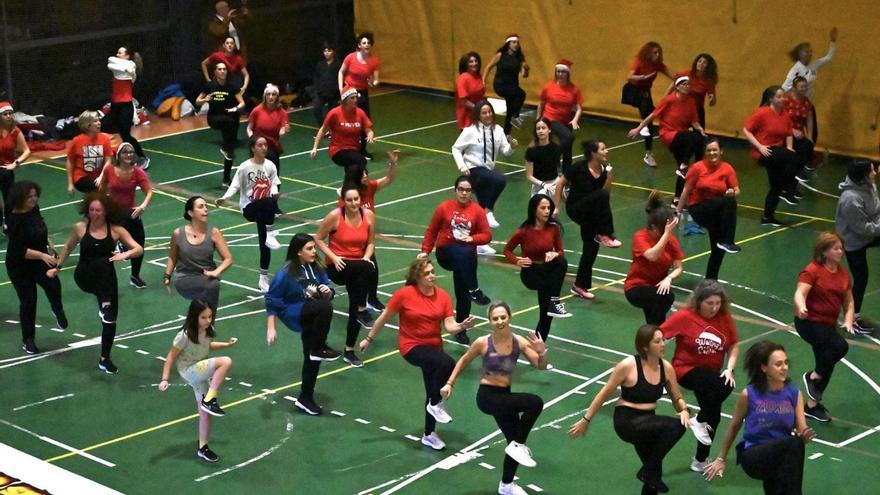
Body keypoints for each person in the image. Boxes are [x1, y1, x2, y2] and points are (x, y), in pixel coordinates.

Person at [359, 258, 476, 450]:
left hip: (434, 347)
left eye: (432, 271)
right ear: (417, 277)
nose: (432, 275)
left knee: (432, 390)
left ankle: (429, 434)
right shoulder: (404, 295)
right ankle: (436, 404)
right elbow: (384, 317)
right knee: (447, 364)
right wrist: (369, 338)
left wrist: (462, 326)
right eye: (427, 273)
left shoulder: (443, 296)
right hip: (411, 346)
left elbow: (449, 326)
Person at [440, 301, 547, 495]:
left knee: (514, 442)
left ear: (509, 318)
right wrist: (449, 383)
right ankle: (517, 446)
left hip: (504, 397)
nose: (499, 321)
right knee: (535, 402)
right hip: (488, 397)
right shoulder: (482, 342)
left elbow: (540, 365)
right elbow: (463, 360)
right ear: (490, 321)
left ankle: (506, 485)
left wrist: (542, 352)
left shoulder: (519, 341)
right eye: (495, 318)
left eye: (503, 317)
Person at [569, 324, 690, 494]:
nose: (663, 344)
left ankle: (648, 472)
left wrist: (684, 409)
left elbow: (677, 397)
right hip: (627, 422)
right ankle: (647, 471)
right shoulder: (628, 365)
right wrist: (586, 419)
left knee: (654, 474)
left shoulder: (666, 368)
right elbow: (604, 393)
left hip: (649, 421)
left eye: (663, 340)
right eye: (657, 341)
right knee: (676, 426)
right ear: (645, 347)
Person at [703, 341, 815, 495]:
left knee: (781, 480)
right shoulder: (749, 394)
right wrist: (721, 459)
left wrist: (805, 436)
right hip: (753, 455)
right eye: (778, 364)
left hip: (779, 456)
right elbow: (734, 426)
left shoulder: (794, 394)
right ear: (764, 368)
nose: (785, 368)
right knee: (793, 443)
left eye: (786, 363)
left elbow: (802, 430)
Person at [51, 192, 143, 374]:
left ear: (106, 212)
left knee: (110, 319)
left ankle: (104, 358)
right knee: (102, 266)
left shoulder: (116, 230)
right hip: (85, 276)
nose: (94, 213)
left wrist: (125, 254)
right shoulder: (80, 228)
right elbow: (69, 247)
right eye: (91, 210)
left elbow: (138, 249)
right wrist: (58, 267)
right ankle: (104, 304)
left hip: (105, 280)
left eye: (98, 210)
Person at [661, 279, 739, 473]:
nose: (714, 308)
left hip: (711, 375)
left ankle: (700, 460)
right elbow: (658, 335)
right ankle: (698, 420)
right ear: (698, 302)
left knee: (713, 415)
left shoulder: (724, 317)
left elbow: (733, 344)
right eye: (709, 303)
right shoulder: (684, 317)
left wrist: (729, 368)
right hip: (686, 369)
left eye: (718, 303)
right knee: (724, 388)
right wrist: (658, 366)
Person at [266, 233, 342, 416]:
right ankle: (320, 347)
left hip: (312, 314)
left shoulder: (317, 267)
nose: (314, 251)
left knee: (311, 357)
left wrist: (328, 291)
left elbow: (329, 288)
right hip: (292, 311)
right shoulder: (285, 273)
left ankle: (305, 398)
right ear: (298, 252)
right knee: (324, 307)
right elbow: (271, 299)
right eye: (309, 248)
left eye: (314, 247)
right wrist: (271, 327)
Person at [158, 299, 237, 463]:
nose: (208, 321)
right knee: (226, 362)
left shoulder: (207, 329)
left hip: (199, 370)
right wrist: (164, 379)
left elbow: (208, 345)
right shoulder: (184, 335)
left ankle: (203, 448)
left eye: (210, 317)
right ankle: (210, 399)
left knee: (205, 414)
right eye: (204, 317)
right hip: (190, 371)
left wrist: (227, 344)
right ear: (194, 316)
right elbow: (170, 357)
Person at [420, 175, 492, 345]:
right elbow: (432, 230)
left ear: (471, 192)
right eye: (461, 189)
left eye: (467, 190)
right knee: (465, 257)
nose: (464, 193)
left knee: (462, 294)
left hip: (466, 259)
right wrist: (425, 251)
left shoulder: (477, 211)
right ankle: (475, 289)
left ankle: (461, 330)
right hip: (446, 253)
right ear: (455, 190)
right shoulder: (444, 207)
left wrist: (472, 239)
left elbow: (487, 235)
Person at [793, 231, 855, 423]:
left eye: (841, 248)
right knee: (839, 347)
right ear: (824, 251)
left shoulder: (843, 274)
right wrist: (801, 306)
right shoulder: (812, 270)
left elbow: (849, 301)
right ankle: (812, 377)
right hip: (808, 322)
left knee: (826, 361)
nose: (840, 252)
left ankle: (811, 407)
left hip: (827, 325)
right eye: (836, 248)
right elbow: (800, 293)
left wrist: (849, 320)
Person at [315, 184, 377, 367]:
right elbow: (318, 238)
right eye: (349, 200)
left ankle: (349, 350)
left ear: (361, 199)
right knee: (366, 273)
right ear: (343, 200)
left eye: (356, 199)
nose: (353, 203)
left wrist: (366, 258)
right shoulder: (335, 216)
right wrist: (333, 257)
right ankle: (362, 309)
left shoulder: (369, 216)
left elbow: (371, 243)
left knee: (357, 294)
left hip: (358, 267)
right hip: (338, 266)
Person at [554, 140, 621, 301]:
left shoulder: (604, 169)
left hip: (591, 213)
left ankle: (580, 286)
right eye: (603, 149)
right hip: (576, 208)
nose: (606, 151)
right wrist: (557, 205)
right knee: (602, 197)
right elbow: (560, 183)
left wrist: (609, 176)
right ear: (593, 153)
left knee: (591, 249)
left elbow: (605, 192)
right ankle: (605, 234)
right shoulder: (578, 167)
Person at [5, 181, 66, 354]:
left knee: (53, 284)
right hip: (19, 265)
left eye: (35, 195)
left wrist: (50, 244)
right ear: (20, 198)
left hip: (39, 258)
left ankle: (57, 309)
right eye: (29, 197)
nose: (34, 199)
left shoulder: (35, 210)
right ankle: (28, 339)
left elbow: (40, 229)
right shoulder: (14, 219)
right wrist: (42, 255)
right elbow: (19, 250)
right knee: (28, 301)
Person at [216, 136, 281, 293]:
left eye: (265, 145)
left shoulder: (270, 165)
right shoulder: (245, 167)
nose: (264, 148)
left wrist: (274, 193)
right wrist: (224, 198)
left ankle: (263, 279)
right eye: (260, 145)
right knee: (270, 204)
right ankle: (271, 231)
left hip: (264, 209)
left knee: (264, 245)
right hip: (249, 208)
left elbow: (274, 184)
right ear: (253, 148)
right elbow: (234, 186)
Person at [503, 194, 571, 340]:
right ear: (534, 210)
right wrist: (516, 261)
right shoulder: (523, 231)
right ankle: (554, 302)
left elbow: (560, 251)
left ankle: (539, 345)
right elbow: (507, 251)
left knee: (546, 314)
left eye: (549, 208)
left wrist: (554, 254)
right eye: (543, 208)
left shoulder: (553, 228)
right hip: (531, 273)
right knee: (547, 308)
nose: (547, 211)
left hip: (547, 271)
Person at [628, 76, 706, 201]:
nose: (687, 86)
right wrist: (638, 128)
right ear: (677, 87)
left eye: (688, 84)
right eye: (684, 84)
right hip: (669, 134)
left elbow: (694, 121)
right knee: (689, 136)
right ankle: (685, 164)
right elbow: (652, 115)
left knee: (699, 139)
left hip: (683, 138)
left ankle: (676, 199)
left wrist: (701, 130)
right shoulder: (669, 100)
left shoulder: (691, 101)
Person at [339, 150, 399, 310]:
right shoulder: (349, 196)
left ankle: (372, 298)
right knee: (359, 275)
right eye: (363, 174)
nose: (366, 176)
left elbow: (389, 179)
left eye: (366, 173)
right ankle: (359, 305)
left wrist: (392, 164)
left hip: (367, 240)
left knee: (374, 270)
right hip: (353, 242)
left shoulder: (369, 188)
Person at [675, 138, 741, 280]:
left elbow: (737, 190)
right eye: (709, 150)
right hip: (699, 209)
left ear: (721, 151)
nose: (712, 153)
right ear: (705, 152)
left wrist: (732, 192)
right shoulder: (698, 168)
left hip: (716, 214)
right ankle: (729, 241)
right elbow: (686, 190)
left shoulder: (727, 168)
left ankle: (711, 280)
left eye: (715, 150)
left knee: (718, 250)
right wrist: (677, 212)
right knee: (729, 203)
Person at [452, 99, 517, 232]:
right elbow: (456, 148)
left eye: (489, 112)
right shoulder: (471, 130)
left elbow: (506, 151)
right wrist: (462, 166)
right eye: (484, 113)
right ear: (478, 115)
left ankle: (480, 241)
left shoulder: (498, 130)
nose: (487, 115)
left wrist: (512, 147)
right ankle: (489, 211)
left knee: (480, 208)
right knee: (500, 180)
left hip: (487, 172)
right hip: (473, 170)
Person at [743, 86, 802, 226]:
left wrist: (789, 148)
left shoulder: (784, 114)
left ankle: (767, 217)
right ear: (771, 99)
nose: (783, 99)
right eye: (779, 96)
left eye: (783, 96)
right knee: (794, 160)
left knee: (776, 185)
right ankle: (789, 186)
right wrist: (759, 146)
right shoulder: (762, 113)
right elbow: (746, 130)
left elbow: (788, 132)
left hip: (778, 153)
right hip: (765, 151)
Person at [164, 196, 233, 310]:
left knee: (210, 288)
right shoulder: (178, 233)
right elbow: (172, 256)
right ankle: (206, 323)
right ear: (190, 213)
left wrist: (216, 272)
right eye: (201, 207)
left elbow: (228, 258)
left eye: (206, 206)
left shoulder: (214, 232)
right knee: (212, 287)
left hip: (207, 277)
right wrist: (167, 276)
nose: (205, 209)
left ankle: (202, 322)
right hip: (184, 278)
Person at [98, 143, 152, 288]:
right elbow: (102, 190)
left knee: (139, 244)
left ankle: (135, 276)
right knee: (107, 247)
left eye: (131, 152)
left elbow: (149, 192)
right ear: (118, 155)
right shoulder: (109, 170)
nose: (129, 155)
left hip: (131, 213)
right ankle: (104, 278)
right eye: (125, 152)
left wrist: (142, 206)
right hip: (114, 214)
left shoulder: (138, 172)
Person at [624, 192, 683, 325]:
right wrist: (666, 234)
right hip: (636, 287)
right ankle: (656, 331)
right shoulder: (640, 236)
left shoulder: (671, 240)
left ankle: (655, 333)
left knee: (656, 319)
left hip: (657, 287)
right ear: (655, 228)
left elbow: (678, 267)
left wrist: (669, 278)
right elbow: (652, 256)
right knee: (666, 297)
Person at [835, 160, 880, 334]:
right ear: (862, 176)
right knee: (861, 278)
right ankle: (853, 318)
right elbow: (862, 228)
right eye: (871, 171)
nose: (874, 173)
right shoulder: (850, 199)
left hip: (869, 233)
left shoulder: (870, 186)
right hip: (853, 241)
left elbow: (876, 210)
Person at [622, 42, 674, 167]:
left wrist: (683, 80)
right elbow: (629, 76)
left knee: (649, 123)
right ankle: (645, 122)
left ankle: (648, 154)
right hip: (632, 91)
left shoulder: (658, 65)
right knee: (650, 113)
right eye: (654, 53)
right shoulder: (639, 61)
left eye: (658, 53)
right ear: (648, 53)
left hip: (645, 93)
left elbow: (673, 77)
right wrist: (641, 77)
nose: (657, 55)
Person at [195, 62, 245, 186]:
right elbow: (197, 101)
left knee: (230, 150)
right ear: (215, 72)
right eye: (220, 69)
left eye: (224, 69)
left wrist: (235, 109)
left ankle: (226, 179)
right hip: (214, 118)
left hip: (230, 118)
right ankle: (225, 147)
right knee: (228, 127)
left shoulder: (232, 86)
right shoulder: (210, 86)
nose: (222, 71)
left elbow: (242, 103)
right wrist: (204, 100)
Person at [310, 86, 374, 173]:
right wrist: (315, 148)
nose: (355, 100)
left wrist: (370, 135)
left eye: (356, 97)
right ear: (345, 100)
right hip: (338, 150)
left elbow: (368, 130)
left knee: (354, 170)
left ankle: (349, 185)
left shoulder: (360, 113)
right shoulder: (334, 113)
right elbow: (323, 130)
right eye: (352, 98)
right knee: (361, 161)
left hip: (354, 150)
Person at [338, 32, 380, 159]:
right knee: (347, 120)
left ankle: (362, 150)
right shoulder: (350, 57)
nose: (366, 45)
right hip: (349, 91)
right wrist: (341, 90)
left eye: (368, 43)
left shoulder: (374, 61)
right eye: (364, 43)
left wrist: (372, 83)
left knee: (362, 121)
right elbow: (341, 72)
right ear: (359, 45)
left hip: (362, 93)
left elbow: (376, 80)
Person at [105, 46, 149, 169]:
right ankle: (111, 155)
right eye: (117, 52)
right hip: (115, 106)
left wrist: (128, 69)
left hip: (125, 107)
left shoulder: (130, 72)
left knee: (125, 135)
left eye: (120, 53)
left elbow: (130, 73)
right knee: (102, 126)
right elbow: (111, 64)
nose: (117, 54)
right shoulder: (117, 69)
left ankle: (142, 157)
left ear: (127, 56)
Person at [537, 60, 582, 169]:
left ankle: (566, 175)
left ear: (568, 74)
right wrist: (538, 119)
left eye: (563, 72)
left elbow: (579, 108)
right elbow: (541, 103)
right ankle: (553, 157)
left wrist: (575, 119)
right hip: (550, 119)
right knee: (569, 137)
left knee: (567, 150)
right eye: (558, 72)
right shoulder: (549, 86)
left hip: (567, 121)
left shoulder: (574, 89)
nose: (560, 74)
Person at [483, 34, 529, 135]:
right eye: (514, 42)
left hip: (512, 86)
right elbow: (488, 67)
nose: (516, 44)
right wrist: (483, 81)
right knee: (521, 94)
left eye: (517, 43)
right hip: (501, 85)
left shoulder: (519, 58)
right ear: (508, 44)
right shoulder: (500, 55)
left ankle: (506, 134)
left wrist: (526, 68)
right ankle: (515, 117)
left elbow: (524, 75)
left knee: (510, 109)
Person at [782, 27, 837, 100]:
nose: (810, 53)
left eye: (811, 51)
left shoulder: (814, 64)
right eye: (807, 51)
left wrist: (832, 41)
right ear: (800, 54)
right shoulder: (795, 70)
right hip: (797, 104)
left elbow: (829, 57)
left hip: (808, 101)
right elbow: (784, 88)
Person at [0, 100, 30, 231]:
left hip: (6, 169)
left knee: (9, 200)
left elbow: (27, 151)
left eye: (10, 113)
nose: (8, 116)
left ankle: (9, 224)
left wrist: (15, 163)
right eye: (4, 114)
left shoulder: (15, 132)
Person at [66, 110, 112, 195]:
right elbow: (70, 162)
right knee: (98, 188)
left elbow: (108, 161)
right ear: (88, 125)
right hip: (81, 178)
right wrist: (70, 184)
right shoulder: (77, 141)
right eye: (95, 121)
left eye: (99, 120)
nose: (99, 123)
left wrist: (101, 176)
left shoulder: (105, 139)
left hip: (99, 176)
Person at [247, 83, 289, 173]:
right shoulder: (257, 110)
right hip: (257, 148)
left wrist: (284, 130)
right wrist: (253, 139)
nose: (271, 97)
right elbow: (249, 128)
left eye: (273, 94)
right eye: (268, 94)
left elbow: (282, 129)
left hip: (272, 147)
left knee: (273, 176)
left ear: (277, 97)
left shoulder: (282, 113)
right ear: (264, 96)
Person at [668, 54, 718, 128]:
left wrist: (712, 100)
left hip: (697, 110)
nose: (701, 64)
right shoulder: (686, 74)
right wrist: (665, 100)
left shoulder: (708, 81)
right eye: (699, 61)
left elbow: (712, 102)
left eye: (704, 63)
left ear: (708, 66)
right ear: (696, 63)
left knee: (700, 135)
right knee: (678, 130)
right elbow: (672, 87)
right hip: (683, 108)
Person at [783, 76, 818, 180]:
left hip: (799, 133)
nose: (804, 89)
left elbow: (809, 119)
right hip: (786, 131)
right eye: (801, 87)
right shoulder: (786, 100)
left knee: (807, 145)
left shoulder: (806, 102)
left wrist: (810, 137)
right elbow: (781, 118)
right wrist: (792, 130)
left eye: (805, 87)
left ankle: (799, 169)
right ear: (794, 87)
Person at [523, 118, 561, 197]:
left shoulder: (556, 148)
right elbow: (529, 176)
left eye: (543, 128)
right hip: (538, 185)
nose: (541, 131)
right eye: (538, 128)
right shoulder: (531, 151)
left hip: (553, 184)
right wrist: (543, 184)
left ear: (549, 130)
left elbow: (558, 169)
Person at [313, 41, 342, 126]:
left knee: (332, 113)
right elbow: (316, 77)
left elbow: (341, 78)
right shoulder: (320, 64)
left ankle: (331, 128)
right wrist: (316, 89)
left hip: (334, 94)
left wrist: (339, 93)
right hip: (321, 93)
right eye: (325, 51)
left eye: (329, 51)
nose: (327, 53)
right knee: (316, 108)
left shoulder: (338, 65)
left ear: (333, 52)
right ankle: (323, 127)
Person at [455, 51, 485, 130]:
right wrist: (479, 109)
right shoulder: (463, 78)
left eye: (476, 61)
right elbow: (463, 101)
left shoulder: (478, 76)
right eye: (471, 62)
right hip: (467, 118)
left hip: (478, 116)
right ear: (466, 64)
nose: (474, 63)